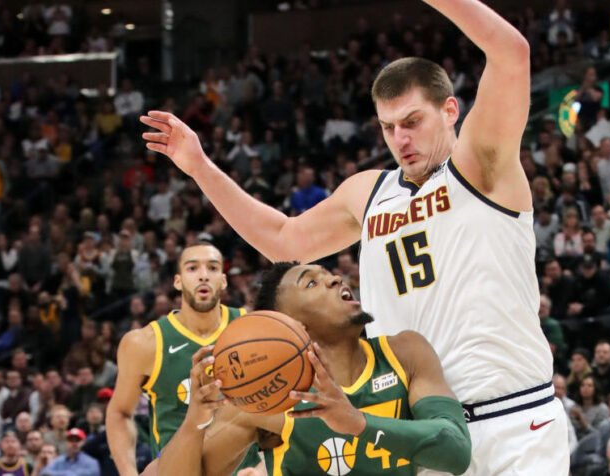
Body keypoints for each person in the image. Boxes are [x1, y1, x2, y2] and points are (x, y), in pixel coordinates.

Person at [141, 0, 568, 473]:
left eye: (412, 122)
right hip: (416, 427)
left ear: (450, 111)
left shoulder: (480, 165)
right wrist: (200, 168)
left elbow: (511, 51)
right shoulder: (370, 191)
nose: (399, 139)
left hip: (513, 419)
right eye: (388, 128)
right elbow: (284, 242)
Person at [157, 262, 472, 476]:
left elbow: (456, 450)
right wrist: (194, 423)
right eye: (311, 283)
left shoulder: (404, 353)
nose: (335, 278)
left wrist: (358, 423)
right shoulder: (266, 401)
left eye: (328, 274)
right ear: (292, 325)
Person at [105, 241, 256, 476]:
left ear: (224, 281)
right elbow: (119, 413)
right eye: (192, 268)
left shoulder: (254, 329)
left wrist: (262, 467)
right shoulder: (144, 343)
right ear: (177, 281)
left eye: (213, 268)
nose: (203, 276)